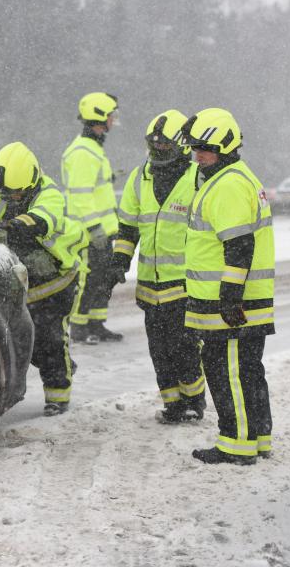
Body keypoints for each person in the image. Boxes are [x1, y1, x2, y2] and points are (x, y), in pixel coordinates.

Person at [0, 142, 88, 416]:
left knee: (51, 339)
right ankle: (59, 366)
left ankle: (58, 396)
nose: (10, 198)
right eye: (6, 194)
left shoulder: (50, 195)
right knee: (24, 340)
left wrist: (15, 225)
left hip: (55, 280)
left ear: (32, 181)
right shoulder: (0, 191)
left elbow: (42, 219)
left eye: (16, 193)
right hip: (24, 282)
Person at [180, 107, 274, 465]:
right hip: (239, 300)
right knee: (248, 371)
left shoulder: (229, 184)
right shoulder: (230, 176)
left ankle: (236, 443)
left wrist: (230, 296)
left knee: (228, 372)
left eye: (204, 148)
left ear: (226, 146)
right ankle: (258, 438)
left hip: (232, 304)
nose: (197, 155)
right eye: (194, 148)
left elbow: (239, 247)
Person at [111, 110, 206, 423]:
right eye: (153, 144)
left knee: (186, 349)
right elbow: (127, 227)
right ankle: (173, 404)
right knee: (160, 352)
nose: (157, 150)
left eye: (163, 145)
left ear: (179, 145)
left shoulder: (198, 178)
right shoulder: (141, 176)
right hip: (150, 287)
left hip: (184, 285)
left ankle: (194, 402)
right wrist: (119, 260)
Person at [62, 92, 122, 345]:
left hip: (102, 231)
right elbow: (80, 195)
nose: (113, 120)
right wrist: (95, 227)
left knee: (100, 280)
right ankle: (78, 326)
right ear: (100, 117)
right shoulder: (84, 152)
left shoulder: (93, 148)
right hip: (89, 233)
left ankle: (96, 324)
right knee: (87, 280)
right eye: (111, 115)